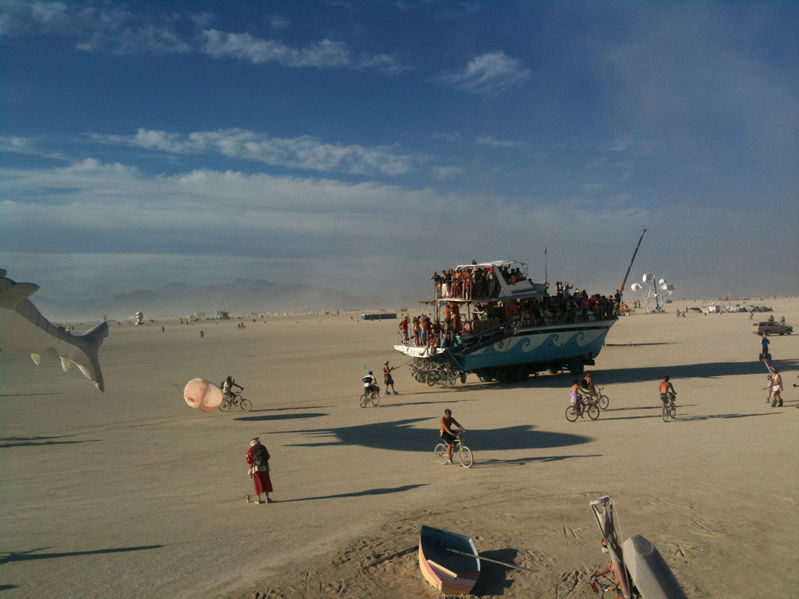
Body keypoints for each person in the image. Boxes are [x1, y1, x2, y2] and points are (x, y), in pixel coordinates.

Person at [246, 436, 273, 504]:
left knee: (258, 483)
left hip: (256, 468)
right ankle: (267, 498)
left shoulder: (251, 449)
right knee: (266, 481)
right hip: (265, 467)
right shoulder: (263, 447)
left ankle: (259, 500)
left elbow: (248, 461)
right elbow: (268, 456)